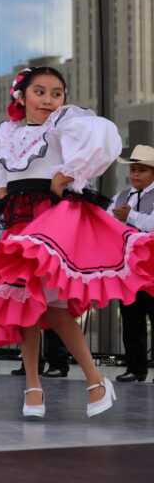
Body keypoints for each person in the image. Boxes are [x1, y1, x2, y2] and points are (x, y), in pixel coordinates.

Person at [0, 65, 154, 418]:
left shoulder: (64, 125)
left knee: (54, 308)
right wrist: (5, 210)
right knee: (25, 303)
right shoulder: (4, 133)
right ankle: (33, 385)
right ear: (21, 95)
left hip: (50, 218)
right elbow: (0, 180)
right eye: (40, 91)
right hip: (18, 220)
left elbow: (101, 138)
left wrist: (65, 175)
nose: (48, 99)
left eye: (56, 93)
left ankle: (93, 378)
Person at [109, 144, 154, 383]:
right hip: (129, 268)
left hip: (153, 269)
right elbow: (108, 223)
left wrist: (130, 217)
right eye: (133, 169)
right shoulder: (121, 196)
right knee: (131, 320)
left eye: (142, 170)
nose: (135, 174)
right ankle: (135, 368)